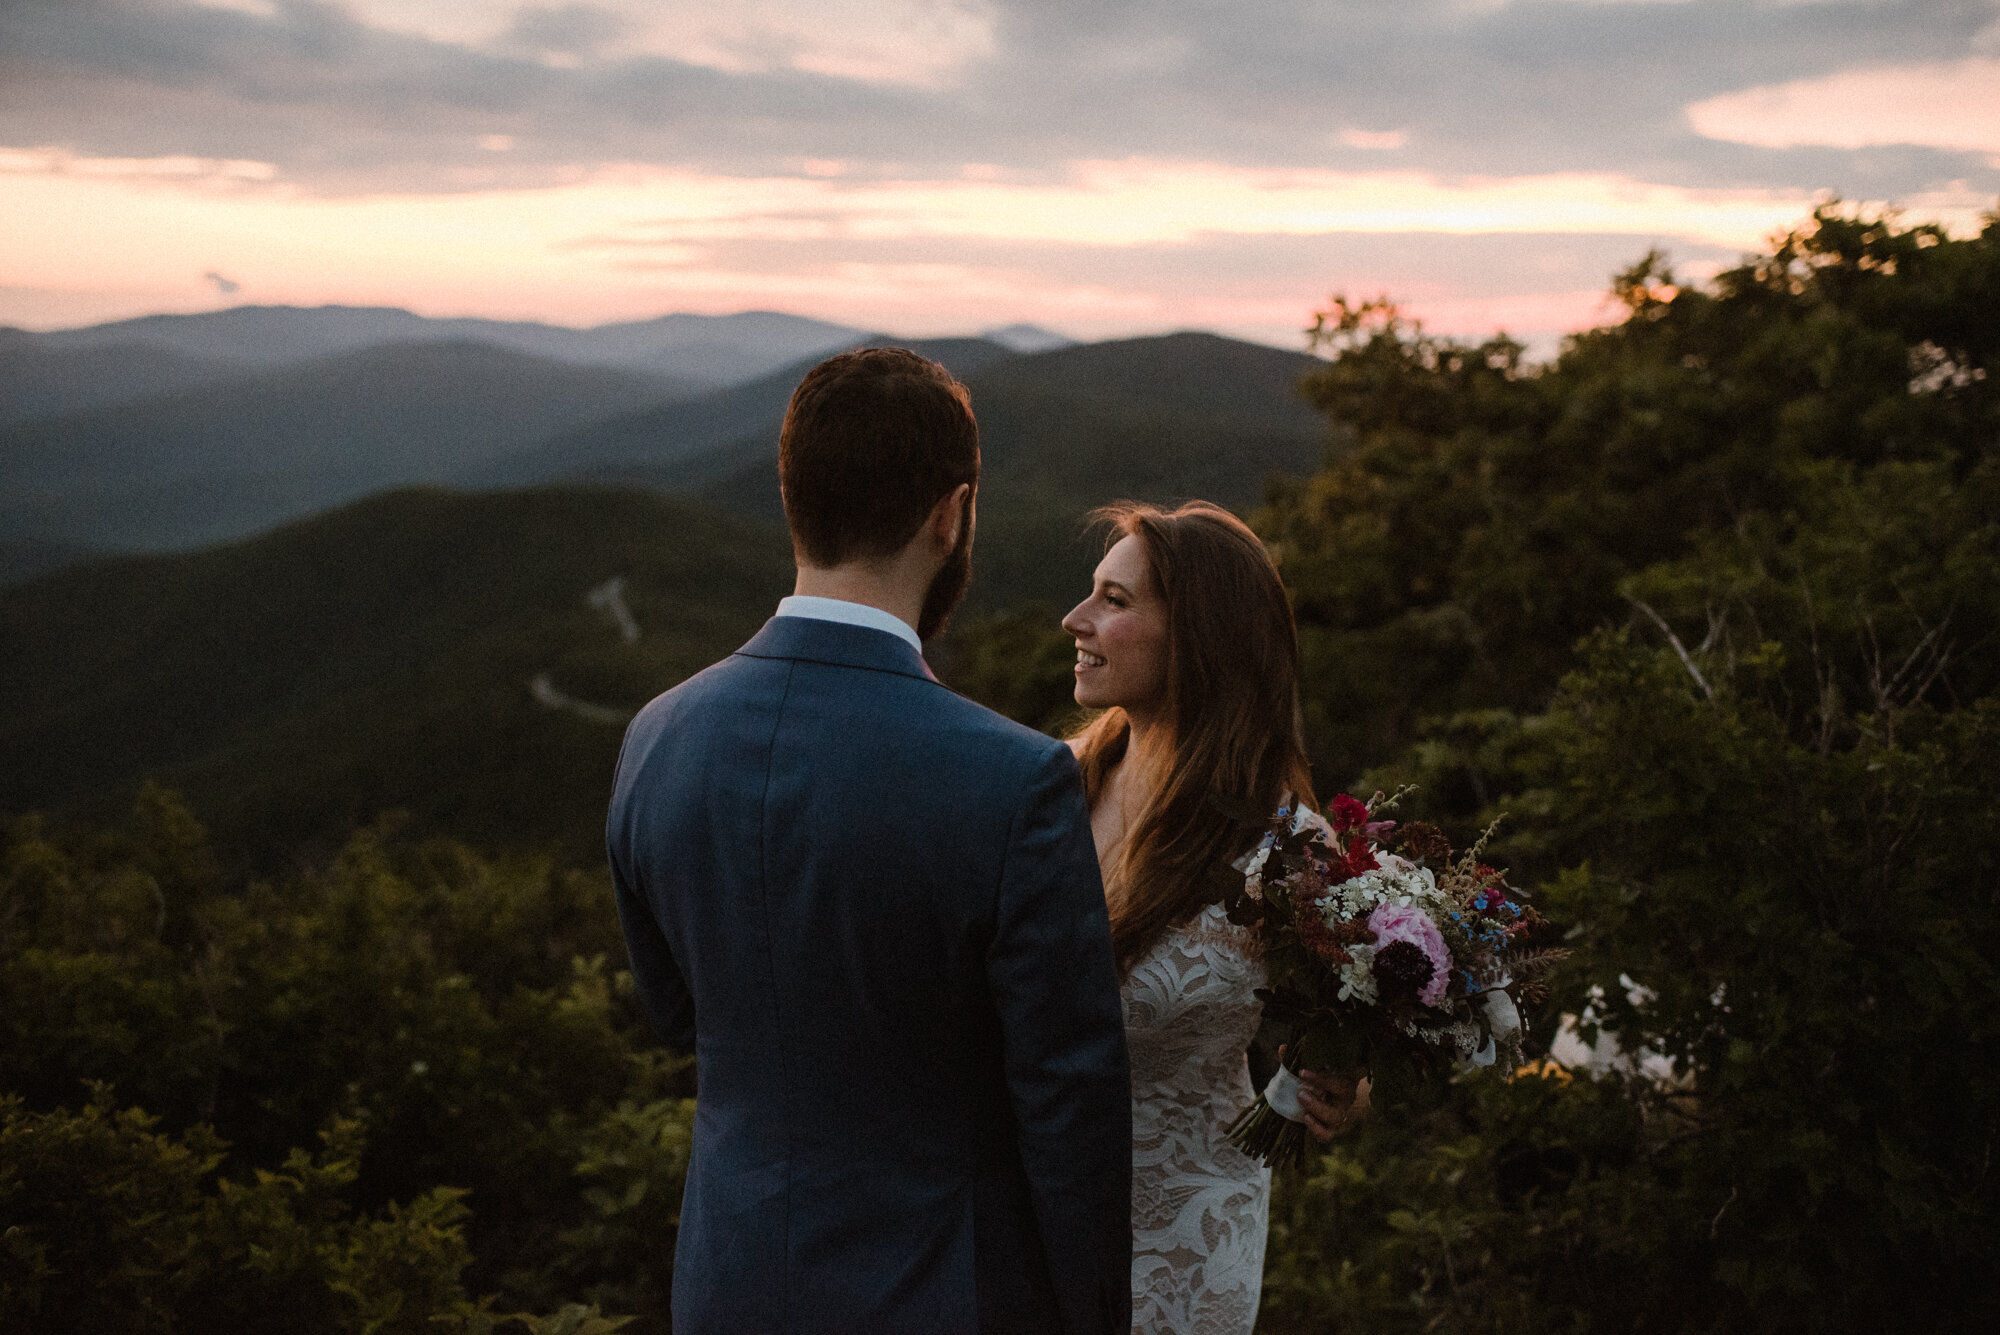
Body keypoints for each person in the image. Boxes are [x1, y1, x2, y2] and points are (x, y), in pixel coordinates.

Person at [606, 347, 1132, 1335]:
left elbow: (676, 1016)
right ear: (949, 513)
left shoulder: (655, 737)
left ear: (791, 497)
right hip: (943, 1288)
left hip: (725, 1275)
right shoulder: (1012, 780)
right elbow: (1068, 1106)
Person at [1060, 501, 1363, 1335]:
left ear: (1200, 636)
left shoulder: (1285, 848)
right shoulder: (1047, 789)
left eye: (1115, 601)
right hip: (1025, 1215)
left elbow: (1346, 1012)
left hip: (1185, 1246)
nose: (1074, 619)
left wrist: (1339, 1079)